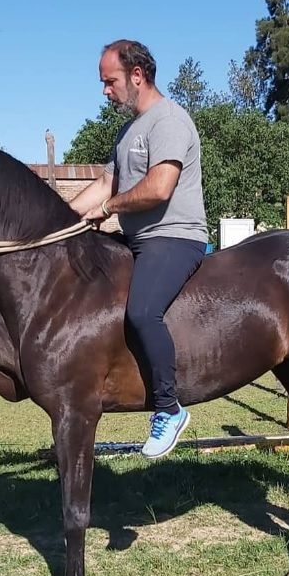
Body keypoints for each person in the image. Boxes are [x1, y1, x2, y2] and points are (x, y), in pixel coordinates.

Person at [70, 39, 208, 459]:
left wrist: (107, 209)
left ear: (137, 75)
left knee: (142, 311)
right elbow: (105, 184)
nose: (105, 91)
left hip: (175, 236)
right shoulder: (128, 129)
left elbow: (159, 188)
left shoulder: (170, 121)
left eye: (109, 81)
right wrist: (57, 218)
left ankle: (169, 408)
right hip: (136, 239)